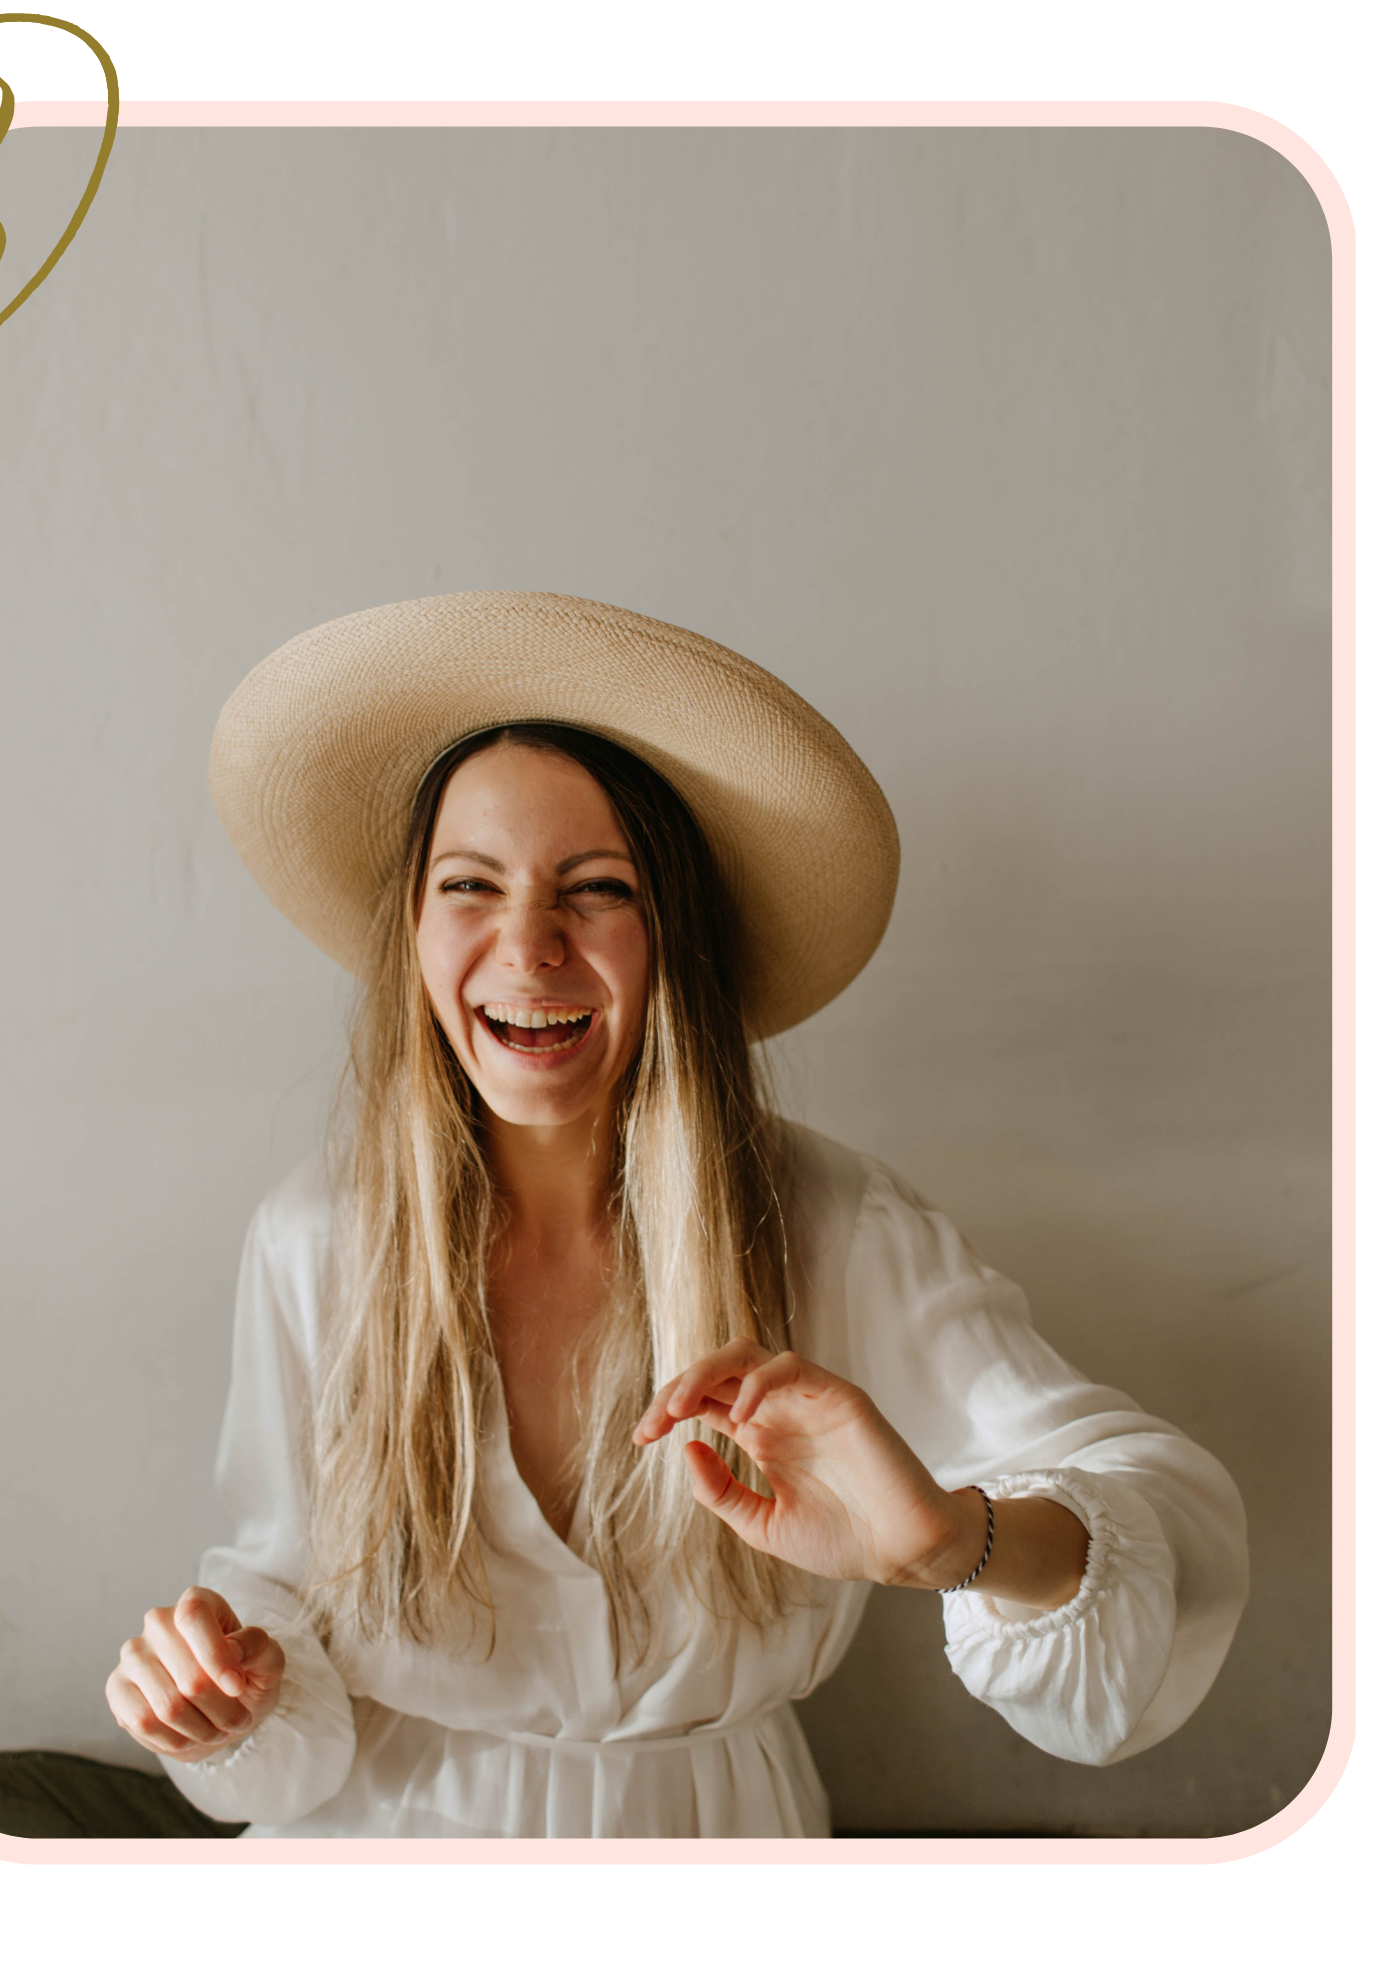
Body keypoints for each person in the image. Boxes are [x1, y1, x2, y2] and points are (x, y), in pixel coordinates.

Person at [98, 591, 1248, 1840]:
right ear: (414, 933)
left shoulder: (838, 1225)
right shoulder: (314, 1235)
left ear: (674, 940)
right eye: (470, 883)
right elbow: (279, 1589)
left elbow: (1164, 1528)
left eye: (595, 889)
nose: (527, 944)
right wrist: (228, 1690)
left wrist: (952, 1542)